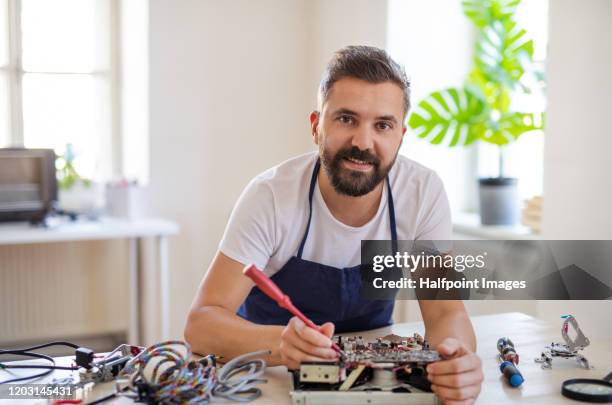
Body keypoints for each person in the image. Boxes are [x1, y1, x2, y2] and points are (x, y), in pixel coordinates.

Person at [185, 45, 483, 404]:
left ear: (401, 135)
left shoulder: (422, 193)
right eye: (346, 119)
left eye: (383, 125)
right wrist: (280, 343)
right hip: (269, 379)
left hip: (372, 384)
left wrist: (458, 359)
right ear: (316, 126)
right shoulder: (271, 196)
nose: (362, 142)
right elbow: (201, 323)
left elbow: (446, 311)